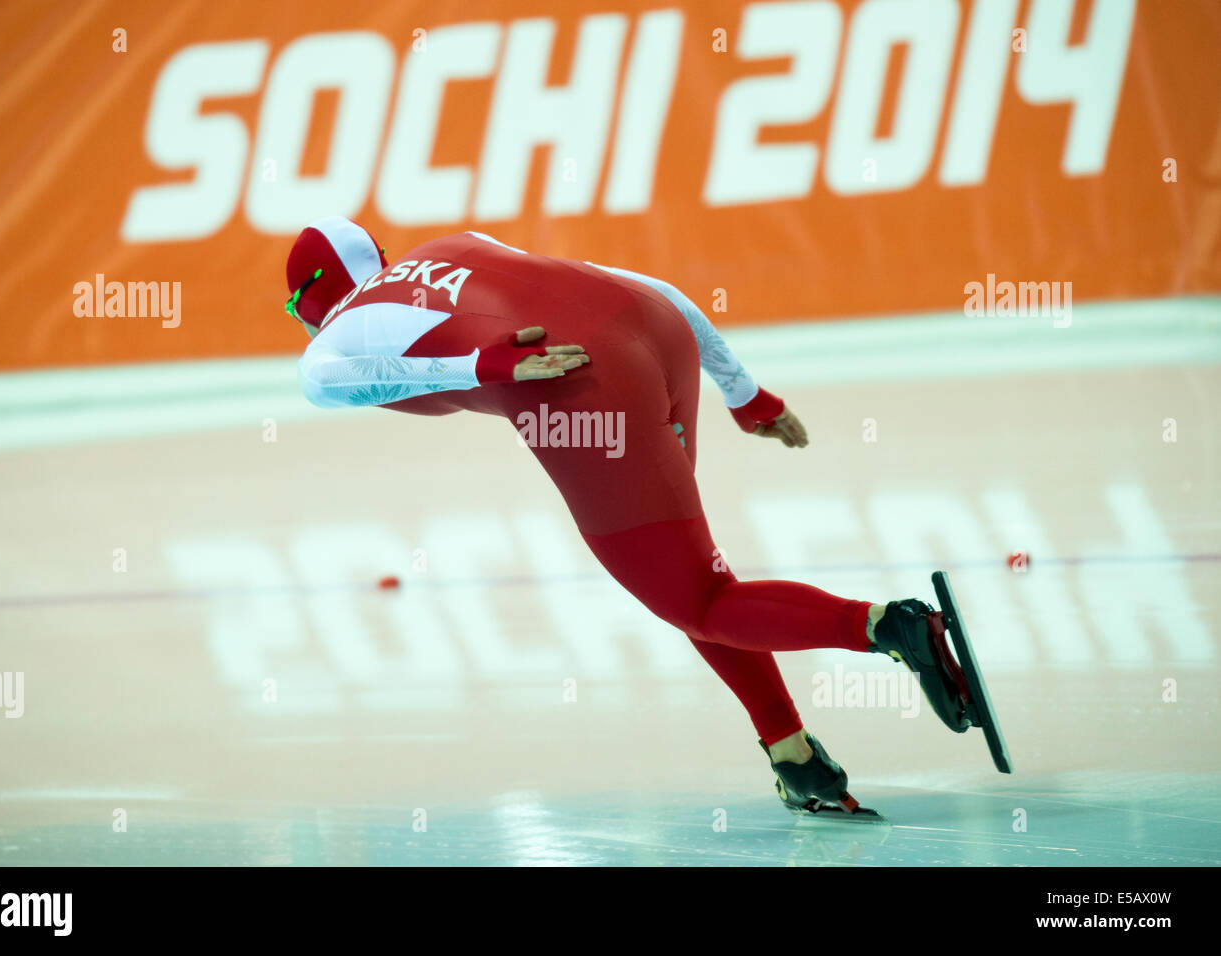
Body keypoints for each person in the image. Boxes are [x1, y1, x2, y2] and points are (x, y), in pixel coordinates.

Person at [285, 217, 967, 813]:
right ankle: (794, 755)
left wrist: (484, 365)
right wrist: (743, 392)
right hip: (654, 326)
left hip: (579, 380)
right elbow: (654, 288)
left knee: (699, 601)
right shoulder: (453, 244)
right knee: (695, 584)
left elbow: (324, 383)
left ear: (309, 301)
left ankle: (890, 625)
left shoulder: (337, 332)